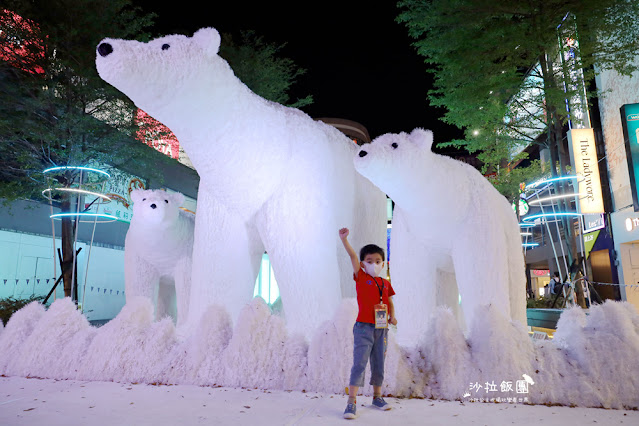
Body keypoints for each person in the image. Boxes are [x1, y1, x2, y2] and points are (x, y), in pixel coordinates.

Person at [339, 227, 397, 420]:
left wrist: (392, 316)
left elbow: (389, 301)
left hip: (382, 328)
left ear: (383, 263)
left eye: (378, 261)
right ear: (363, 264)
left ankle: (377, 397)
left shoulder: (385, 283)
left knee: (379, 363)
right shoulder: (361, 277)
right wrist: (345, 240)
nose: (375, 264)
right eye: (370, 261)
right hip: (363, 327)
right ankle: (351, 402)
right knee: (359, 363)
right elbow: (353, 257)